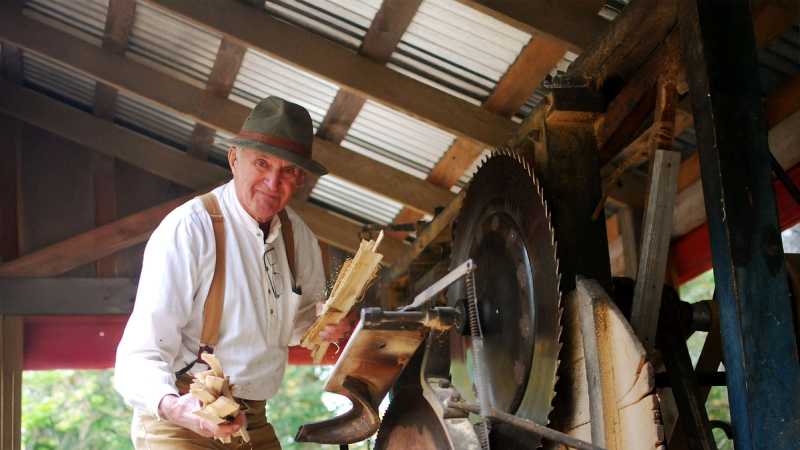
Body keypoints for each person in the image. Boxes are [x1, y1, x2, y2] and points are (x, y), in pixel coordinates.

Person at [114, 96, 350, 449]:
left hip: (253, 418)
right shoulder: (190, 228)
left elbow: (300, 325)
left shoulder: (298, 237)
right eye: (261, 163)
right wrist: (175, 407)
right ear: (234, 159)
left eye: (287, 171)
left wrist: (324, 326)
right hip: (183, 412)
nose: (273, 182)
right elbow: (141, 351)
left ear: (299, 178)